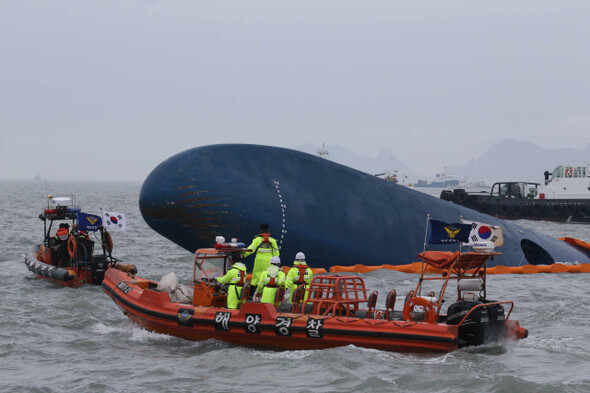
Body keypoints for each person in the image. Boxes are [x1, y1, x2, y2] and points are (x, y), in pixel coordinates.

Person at [243, 224, 280, 291]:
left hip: (259, 262)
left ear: (261, 230)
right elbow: (276, 253)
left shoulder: (257, 240)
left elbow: (251, 249)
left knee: (255, 278)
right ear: (268, 230)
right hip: (269, 262)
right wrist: (276, 263)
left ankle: (250, 296)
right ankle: (265, 293)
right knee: (268, 277)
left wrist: (243, 255)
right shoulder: (272, 241)